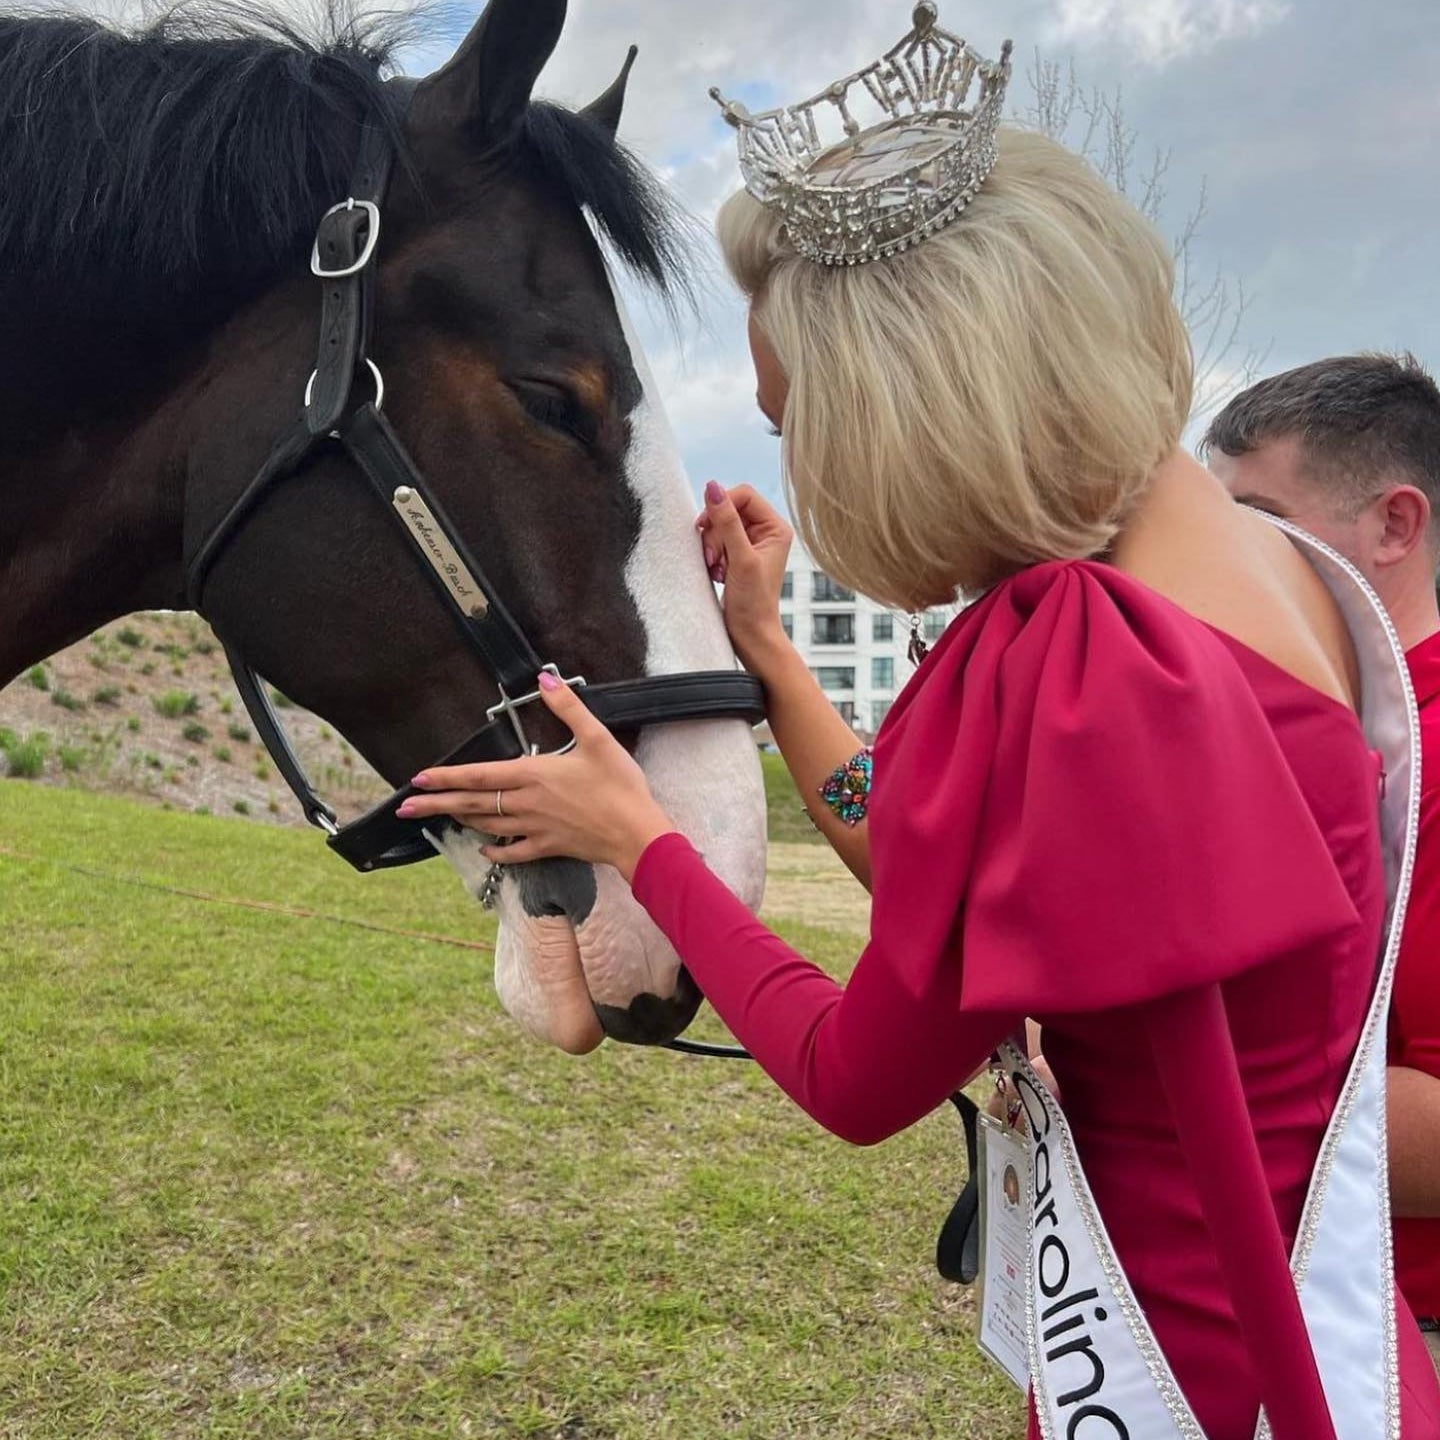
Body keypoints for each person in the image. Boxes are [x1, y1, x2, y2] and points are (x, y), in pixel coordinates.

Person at [395, 8, 1440, 1435]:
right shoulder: (1296, 582)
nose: (804, 460)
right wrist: (767, 644)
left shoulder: (1054, 656)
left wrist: (639, 838)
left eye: (796, 415)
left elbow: (855, 1075)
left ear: (909, 398)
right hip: (1348, 1347)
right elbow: (952, 864)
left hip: (1166, 1374)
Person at [1204, 354, 1440, 1376]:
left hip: (1394, 1345)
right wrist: (767, 661)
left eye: (1256, 524)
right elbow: (883, 817)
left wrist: (1139, 1073)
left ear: (1395, 525)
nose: (1208, 566)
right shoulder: (1276, 732)